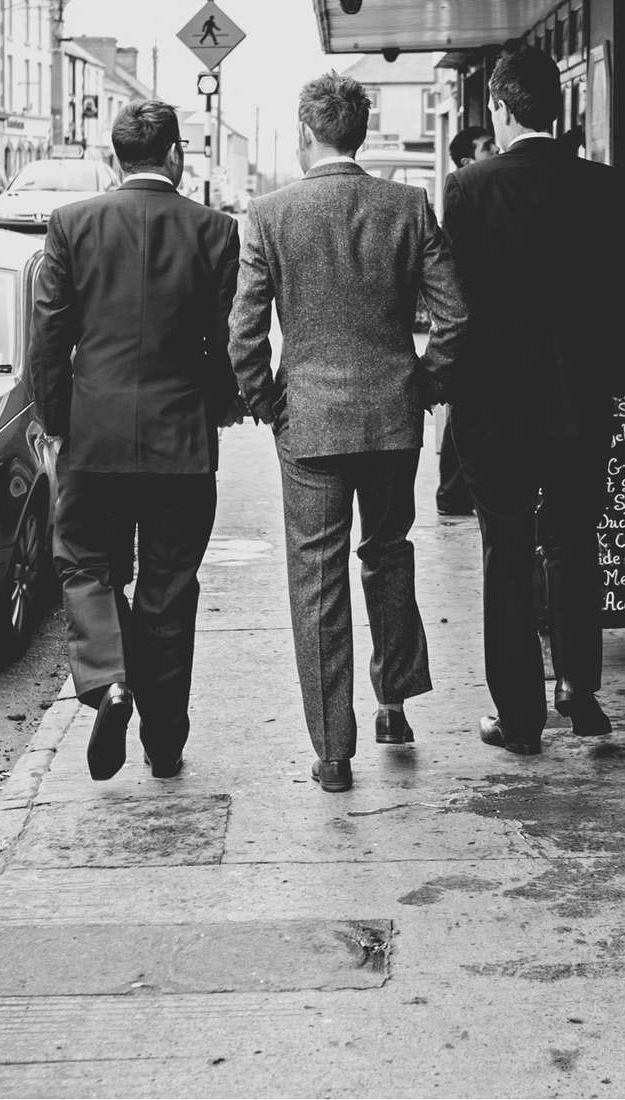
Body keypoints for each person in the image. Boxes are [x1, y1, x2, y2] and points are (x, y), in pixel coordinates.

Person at [231, 74, 467, 793]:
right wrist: (421, 384)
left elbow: (244, 331)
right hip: (391, 419)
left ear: (307, 133)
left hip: (309, 424)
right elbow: (455, 318)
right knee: (388, 554)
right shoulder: (407, 205)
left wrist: (269, 402)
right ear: (361, 131)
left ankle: (334, 752)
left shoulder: (269, 214)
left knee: (317, 581)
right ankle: (392, 703)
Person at [442, 47, 625, 754]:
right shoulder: (610, 186)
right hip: (583, 403)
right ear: (555, 108)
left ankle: (520, 718)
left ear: (499, 109)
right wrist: (613, 381)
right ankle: (580, 687)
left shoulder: (468, 188)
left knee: (506, 551)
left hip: (496, 408)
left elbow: (459, 305)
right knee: (573, 541)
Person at [29, 100, 241, 781]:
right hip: (181, 442)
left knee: (86, 563)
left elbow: (49, 337)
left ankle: (108, 682)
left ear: (114, 156)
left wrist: (59, 421)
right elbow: (227, 341)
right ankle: (164, 743)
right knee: (168, 592)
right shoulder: (213, 230)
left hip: (95, 435)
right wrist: (222, 406)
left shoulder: (71, 225)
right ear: (177, 155)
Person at [435, 125, 495, 517]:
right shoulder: (466, 192)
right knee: (465, 413)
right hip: (476, 333)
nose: (496, 150)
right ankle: (452, 493)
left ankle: (453, 493)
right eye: (487, 147)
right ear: (467, 162)